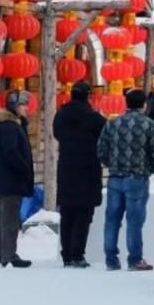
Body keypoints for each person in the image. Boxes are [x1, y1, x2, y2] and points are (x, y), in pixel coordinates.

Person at [97, 88, 154, 271]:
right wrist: (152, 169)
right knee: (135, 220)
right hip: (138, 177)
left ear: (126, 103)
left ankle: (111, 259)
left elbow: (101, 149)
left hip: (115, 177)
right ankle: (135, 259)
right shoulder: (149, 125)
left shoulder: (112, 124)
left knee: (112, 219)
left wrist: (111, 164)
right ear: (144, 105)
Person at [53, 79, 104, 267]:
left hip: (66, 166)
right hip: (88, 168)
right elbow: (105, 133)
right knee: (83, 214)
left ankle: (66, 252)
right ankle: (77, 253)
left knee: (67, 212)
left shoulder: (61, 115)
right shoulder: (93, 117)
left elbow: (56, 134)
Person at [0, 88, 36, 268]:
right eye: (23, 105)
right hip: (11, 178)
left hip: (7, 178)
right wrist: (24, 168)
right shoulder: (10, 127)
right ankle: (8, 255)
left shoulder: (10, 125)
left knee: (5, 218)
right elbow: (11, 153)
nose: (26, 108)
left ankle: (2, 254)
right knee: (10, 219)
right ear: (14, 106)